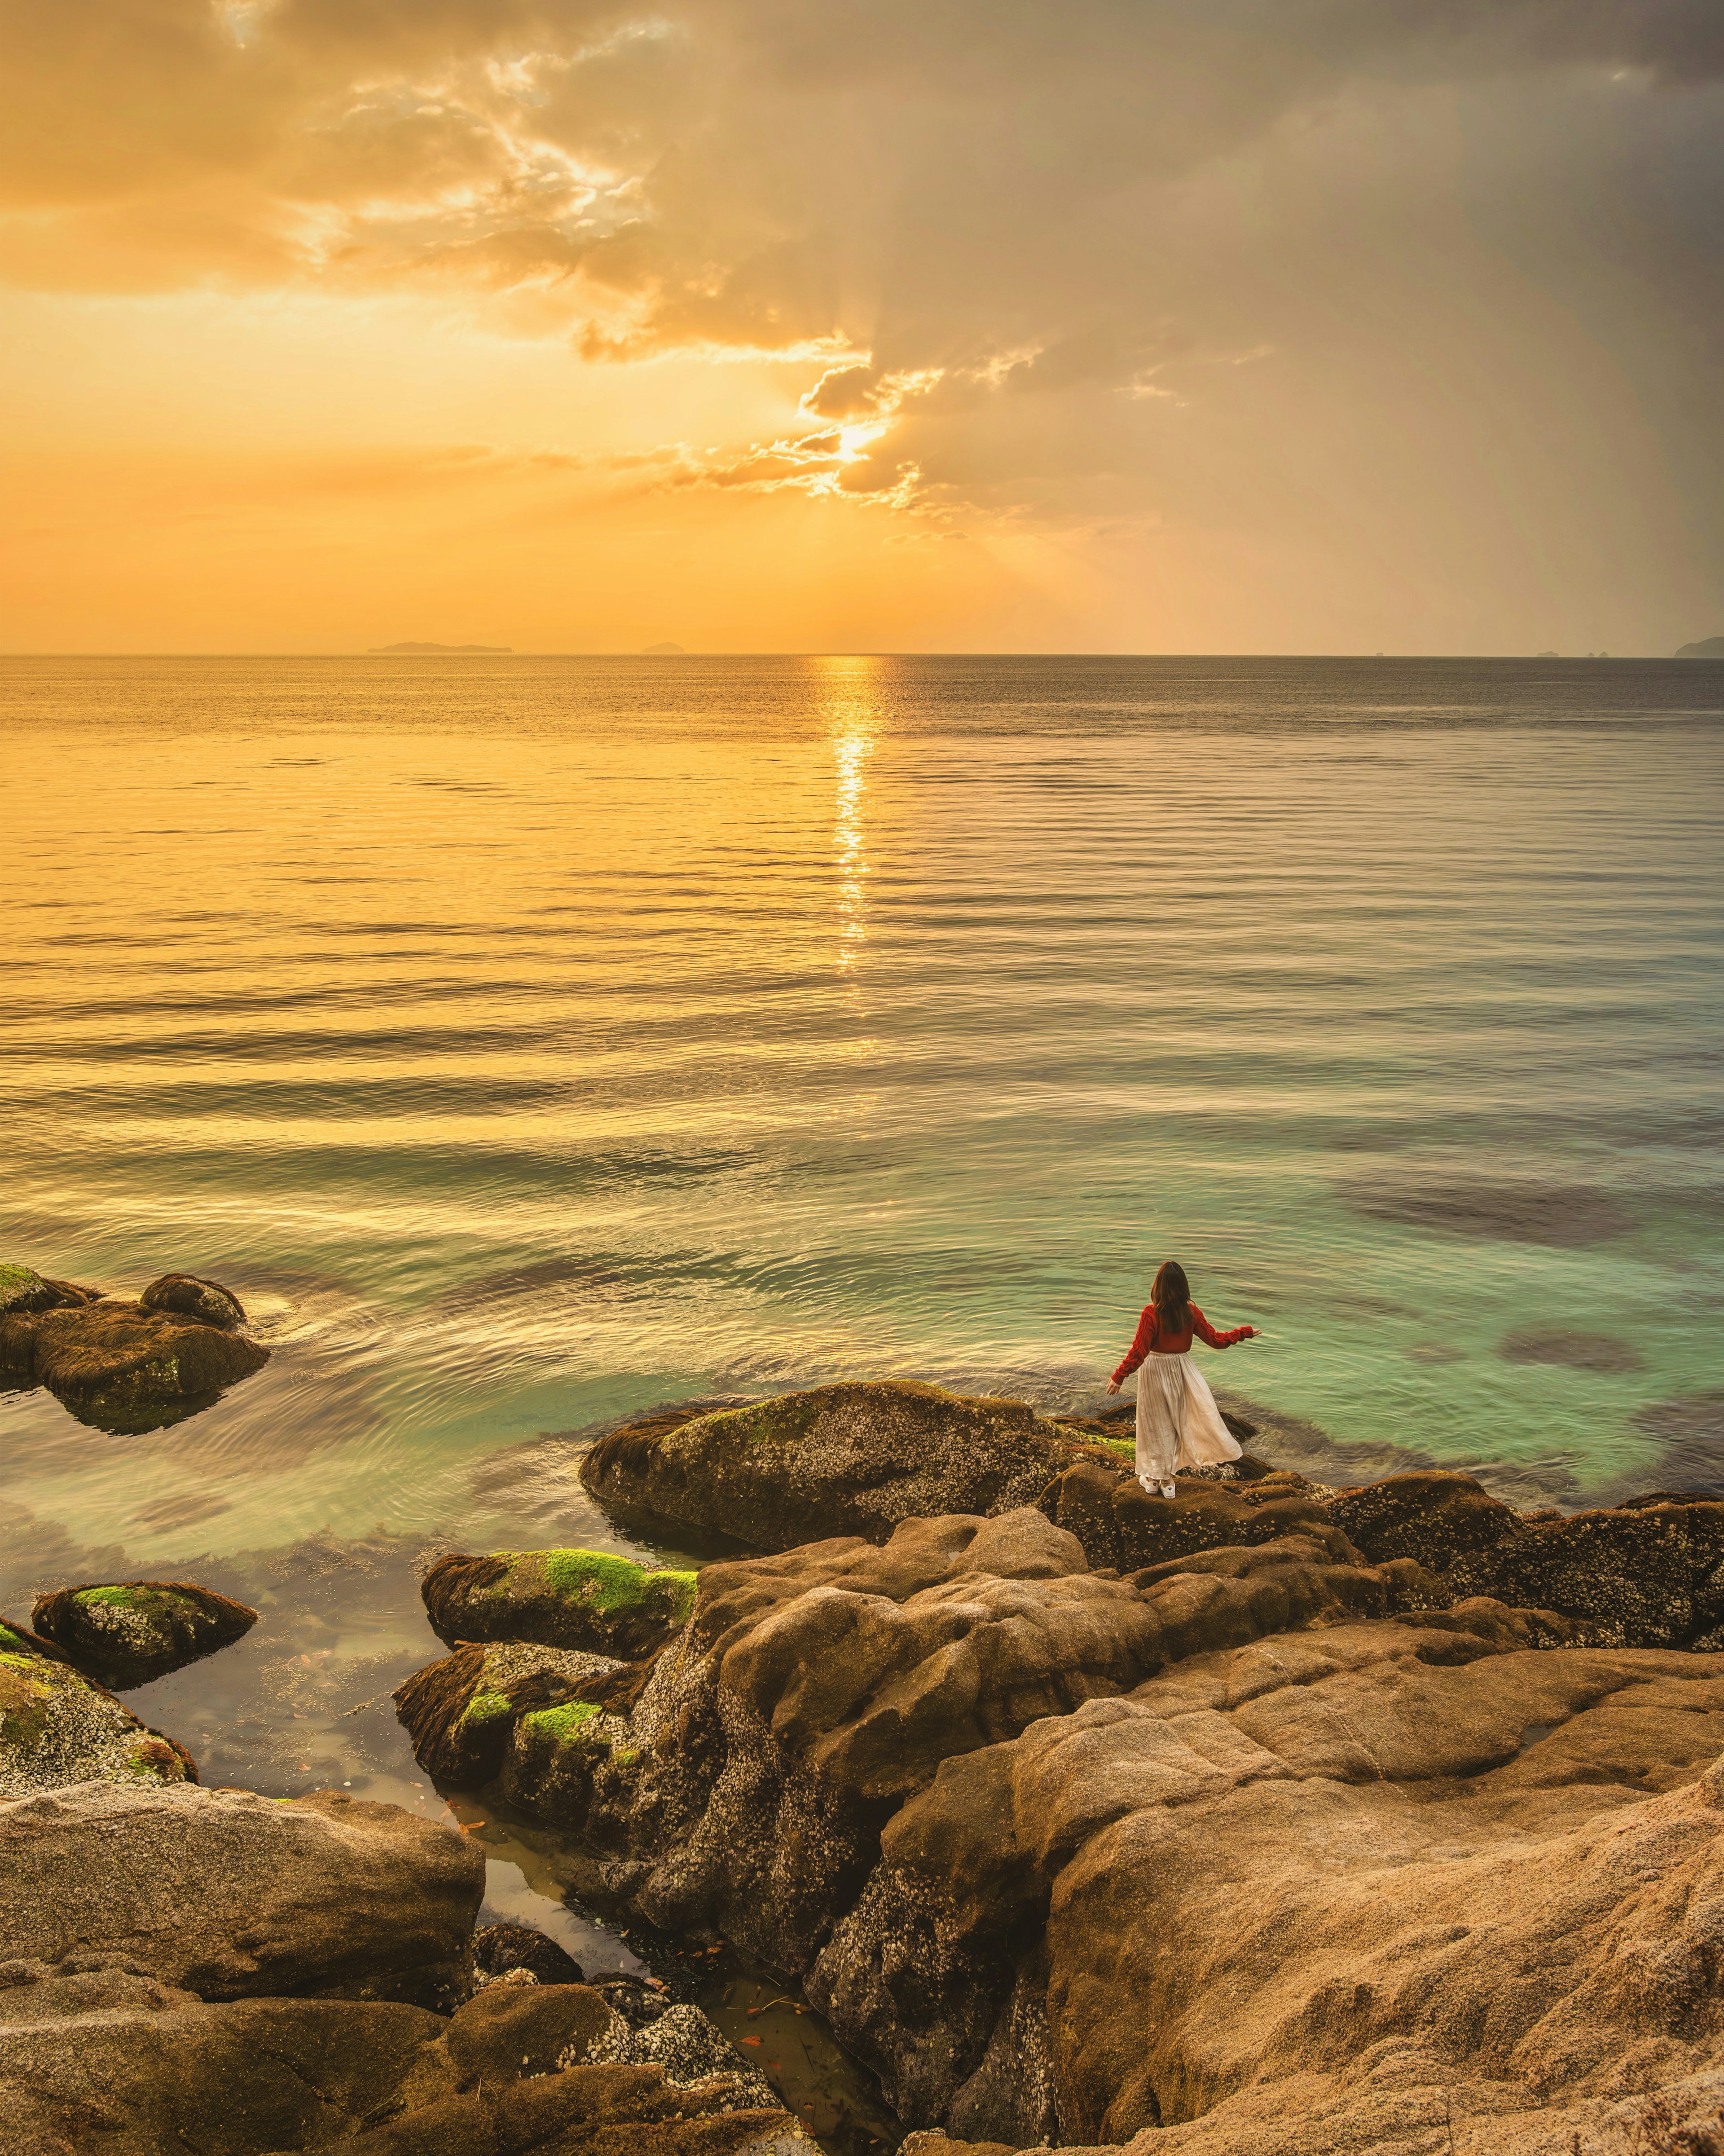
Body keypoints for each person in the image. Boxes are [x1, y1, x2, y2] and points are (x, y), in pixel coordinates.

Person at [1104, 1260, 1255, 1500]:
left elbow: (1139, 1351)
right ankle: (1167, 1480)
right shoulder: (1192, 1313)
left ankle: (1155, 1479)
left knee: (1155, 1424)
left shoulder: (1151, 1313)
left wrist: (1119, 1376)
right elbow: (1216, 1340)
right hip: (1182, 1369)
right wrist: (1241, 1333)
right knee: (1177, 1423)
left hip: (1155, 1369)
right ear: (1184, 1287)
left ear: (1158, 1286)